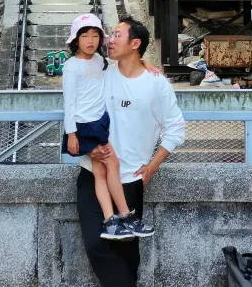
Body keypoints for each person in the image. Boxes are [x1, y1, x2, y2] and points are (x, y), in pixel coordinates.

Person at [76, 17, 185, 287]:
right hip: (93, 175)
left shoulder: (156, 84)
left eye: (117, 35)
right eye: (110, 34)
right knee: (96, 245)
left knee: (127, 253)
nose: (109, 40)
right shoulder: (99, 72)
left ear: (135, 43)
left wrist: (152, 167)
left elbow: (175, 130)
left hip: (130, 181)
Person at [62, 14, 155, 242]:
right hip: (86, 125)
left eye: (95, 36)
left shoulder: (99, 61)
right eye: (85, 36)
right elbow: (69, 103)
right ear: (76, 40)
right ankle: (122, 216)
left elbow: (121, 65)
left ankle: (112, 220)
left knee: (101, 170)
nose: (91, 41)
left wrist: (144, 62)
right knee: (111, 163)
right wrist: (71, 134)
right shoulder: (71, 67)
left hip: (98, 122)